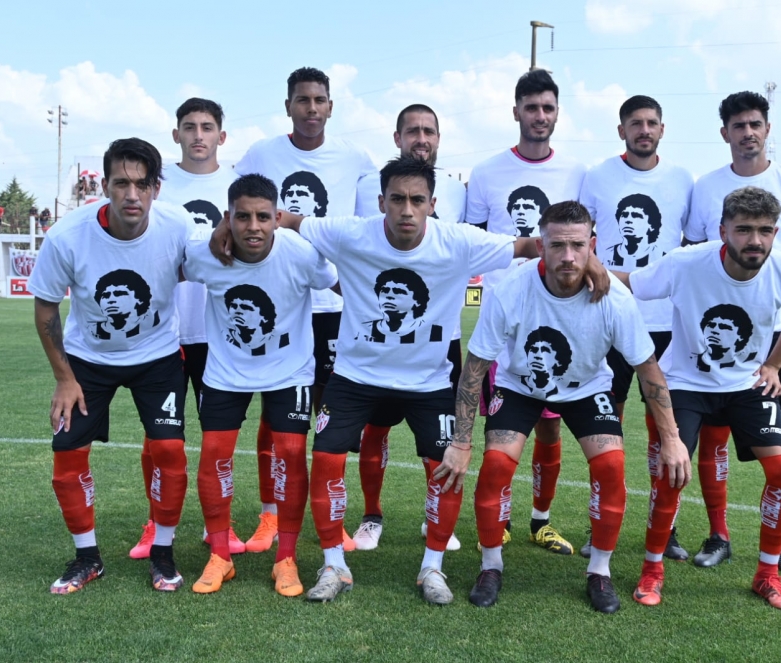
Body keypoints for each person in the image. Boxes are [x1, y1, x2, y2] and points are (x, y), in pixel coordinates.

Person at [250, 156, 606, 604]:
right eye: (397, 199)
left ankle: (431, 568)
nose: (406, 210)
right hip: (356, 376)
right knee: (325, 458)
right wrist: (229, 228)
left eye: (417, 200)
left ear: (432, 204)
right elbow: (287, 219)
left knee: (447, 470)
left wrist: (592, 263)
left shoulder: (455, 241)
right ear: (381, 201)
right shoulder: (351, 232)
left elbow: (530, 247)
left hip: (430, 380)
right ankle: (333, 565)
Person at [438, 201, 690, 613]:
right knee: (497, 466)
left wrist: (672, 439)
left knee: (611, 467)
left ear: (592, 244)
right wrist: (461, 441)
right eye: (557, 245)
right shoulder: (510, 291)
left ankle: (600, 572)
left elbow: (649, 370)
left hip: (587, 388)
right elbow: (474, 368)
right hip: (519, 385)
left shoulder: (615, 297)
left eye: (577, 245)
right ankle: (490, 565)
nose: (568, 256)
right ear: (541, 245)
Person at [625, 186, 781, 611]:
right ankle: (652, 570)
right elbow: (632, 284)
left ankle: (767, 575)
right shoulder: (686, 263)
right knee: (671, 472)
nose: (756, 241)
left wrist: (774, 362)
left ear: (775, 231)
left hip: (745, 384)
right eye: (744, 229)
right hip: (685, 384)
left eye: (765, 230)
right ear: (723, 230)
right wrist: (585, 270)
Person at [28, 137, 194, 594]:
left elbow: (215, 264)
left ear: (157, 188)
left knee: (168, 452)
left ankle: (162, 552)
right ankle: (87, 557)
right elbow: (45, 309)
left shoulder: (178, 226)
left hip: (158, 357)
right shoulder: (67, 235)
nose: (132, 194)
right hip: (87, 361)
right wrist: (64, 378)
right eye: (121, 183)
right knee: (67, 455)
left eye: (142, 184)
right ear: (104, 185)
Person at [682, 91, 781, 576]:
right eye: (739, 125)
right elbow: (690, 259)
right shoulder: (704, 188)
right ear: (724, 132)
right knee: (714, 438)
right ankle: (718, 533)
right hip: (719, 337)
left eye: (756, 124)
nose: (749, 132)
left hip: (780, 332)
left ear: (768, 129)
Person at [234, 66, 377, 554]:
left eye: (319, 100)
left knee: (328, 415)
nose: (311, 108)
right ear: (288, 105)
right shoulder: (261, 155)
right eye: (302, 100)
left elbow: (364, 231)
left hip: (335, 302)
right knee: (273, 415)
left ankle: (329, 519)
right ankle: (270, 516)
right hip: (280, 301)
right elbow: (235, 211)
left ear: (331, 106)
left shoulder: (355, 158)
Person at [183, 174, 337, 595]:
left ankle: (285, 559)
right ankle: (220, 555)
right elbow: (172, 268)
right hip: (225, 371)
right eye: (243, 217)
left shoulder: (302, 254)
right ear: (227, 217)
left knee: (289, 451)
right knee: (215, 452)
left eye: (263, 217)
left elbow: (337, 285)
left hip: (289, 370)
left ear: (277, 217)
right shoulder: (206, 254)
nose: (253, 226)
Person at [465, 69, 587, 555]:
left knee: (551, 422)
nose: (540, 117)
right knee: (502, 424)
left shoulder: (577, 173)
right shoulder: (488, 172)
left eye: (548, 108)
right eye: (532, 108)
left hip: (559, 317)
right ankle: (504, 517)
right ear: (515, 111)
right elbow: (475, 242)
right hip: (504, 319)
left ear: (557, 113)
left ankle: (541, 519)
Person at [579, 94, 694, 561]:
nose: (643, 130)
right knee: (605, 432)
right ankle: (598, 527)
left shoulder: (682, 180)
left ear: (662, 129)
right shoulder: (599, 177)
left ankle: (665, 530)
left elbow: (695, 247)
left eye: (651, 123)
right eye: (635, 123)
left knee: (663, 431)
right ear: (621, 130)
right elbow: (582, 239)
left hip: (666, 324)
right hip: (607, 318)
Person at [127, 99, 243, 561]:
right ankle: (155, 522)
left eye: (208, 127)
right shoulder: (157, 185)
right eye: (189, 127)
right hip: (164, 334)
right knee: (158, 439)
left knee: (219, 440)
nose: (198, 135)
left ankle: (223, 526)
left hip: (218, 334)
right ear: (175, 134)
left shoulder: (236, 184)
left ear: (221, 136)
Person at [351, 104, 467, 553]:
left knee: (436, 434)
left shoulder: (456, 191)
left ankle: (434, 519)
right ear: (397, 136)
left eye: (429, 131)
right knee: (374, 431)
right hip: (383, 339)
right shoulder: (367, 189)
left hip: (440, 338)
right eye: (413, 131)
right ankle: (372, 515)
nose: (422, 138)